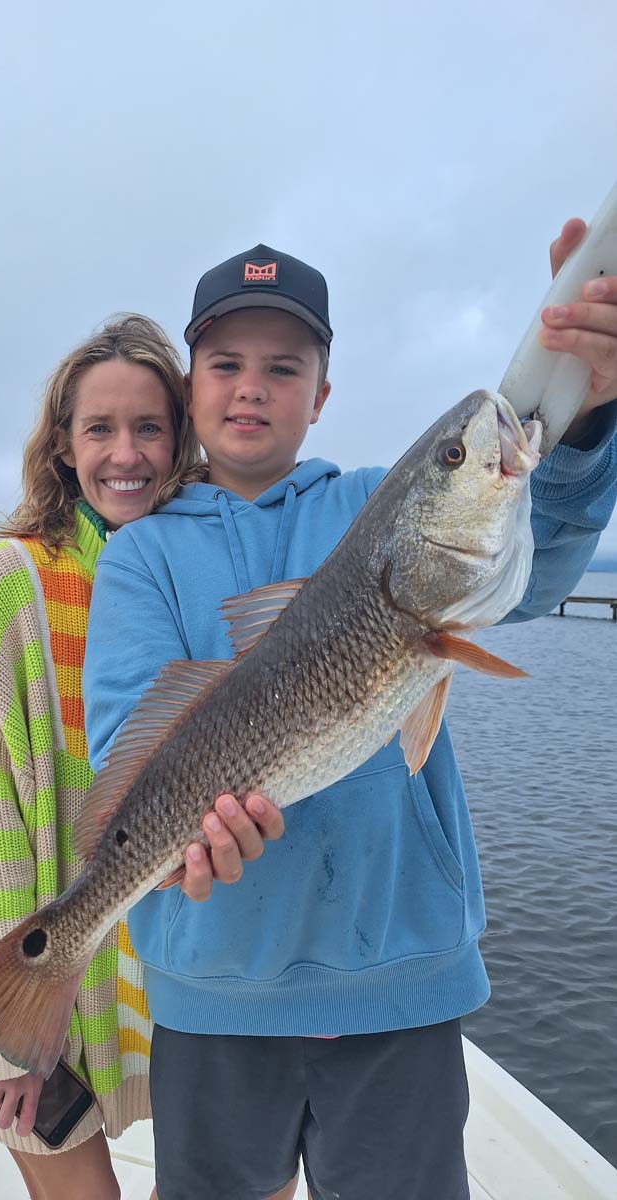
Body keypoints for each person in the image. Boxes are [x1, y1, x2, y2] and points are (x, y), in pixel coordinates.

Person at [83, 228, 617, 1200]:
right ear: (191, 387)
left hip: (397, 984)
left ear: (322, 394)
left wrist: (582, 411)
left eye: (283, 368)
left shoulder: (378, 504)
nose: (252, 388)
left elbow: (534, 563)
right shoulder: (139, 555)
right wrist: (173, 838)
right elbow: (131, 739)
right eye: (227, 364)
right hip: (212, 995)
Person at [0, 313, 285, 1200]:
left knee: (253, 1175)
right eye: (100, 429)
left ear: (181, 441)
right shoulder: (11, 583)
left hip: (161, 960)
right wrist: (8, 1035)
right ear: (64, 447)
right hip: (14, 961)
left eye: (150, 427)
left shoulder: (199, 579)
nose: (126, 454)